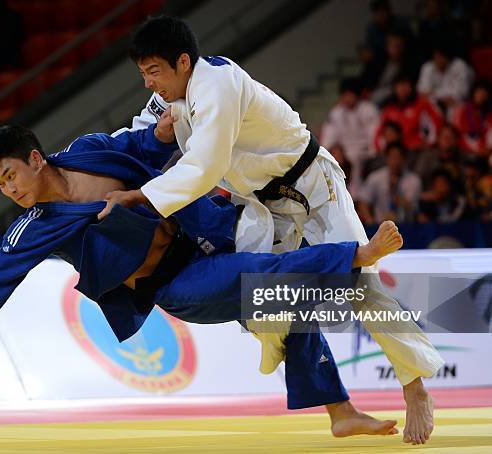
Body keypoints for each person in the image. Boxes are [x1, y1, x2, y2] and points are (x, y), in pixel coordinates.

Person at [0, 124, 404, 439]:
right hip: (178, 285)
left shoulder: (87, 153)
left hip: (202, 231)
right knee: (260, 278)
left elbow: (137, 143)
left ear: (36, 158)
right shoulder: (35, 226)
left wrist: (165, 132)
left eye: (10, 175)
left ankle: (340, 412)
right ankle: (356, 255)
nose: (9, 190)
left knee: (284, 301)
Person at [101, 16, 444, 445]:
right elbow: (131, 137)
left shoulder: (218, 85)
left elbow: (204, 167)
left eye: (154, 73)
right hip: (265, 206)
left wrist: (139, 196)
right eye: (143, 75)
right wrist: (76, 164)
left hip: (313, 187)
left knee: (361, 285)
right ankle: (338, 408)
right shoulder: (171, 99)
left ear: (183, 62)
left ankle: (415, 388)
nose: (150, 85)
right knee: (261, 295)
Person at [358, 142, 422, 224]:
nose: (395, 161)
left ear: (404, 159)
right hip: (380, 226)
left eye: (399, 157)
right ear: (386, 158)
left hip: (406, 227)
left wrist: (395, 193)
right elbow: (363, 202)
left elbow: (414, 209)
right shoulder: (375, 178)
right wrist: (370, 221)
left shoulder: (414, 180)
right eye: (392, 157)